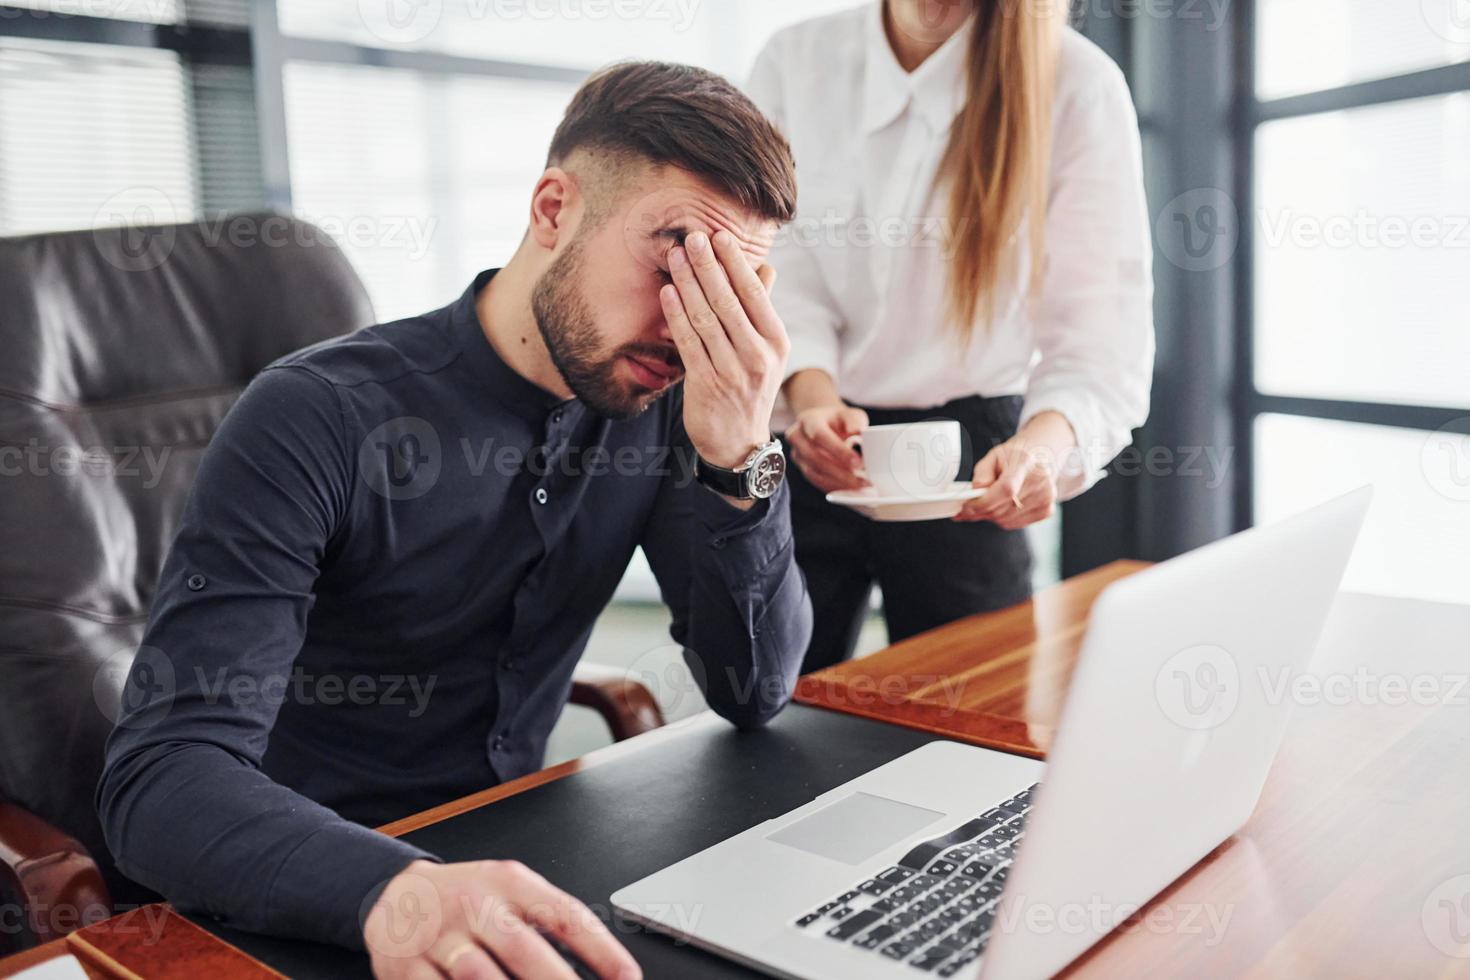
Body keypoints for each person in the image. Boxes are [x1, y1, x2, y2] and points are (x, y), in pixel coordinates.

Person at [96, 61, 810, 980]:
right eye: (676, 255)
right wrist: (398, 891)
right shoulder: (314, 416)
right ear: (553, 209)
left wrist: (741, 457)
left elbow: (753, 691)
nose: (691, 322)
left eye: (735, 283)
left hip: (534, 867)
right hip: (311, 896)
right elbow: (161, 782)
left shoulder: (670, 406)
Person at [746, 0, 1155, 671]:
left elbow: (1099, 339)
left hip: (974, 464)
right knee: (771, 703)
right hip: (810, 434)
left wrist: (1041, 454)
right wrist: (813, 398)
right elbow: (775, 266)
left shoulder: (1078, 85)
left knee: (967, 735)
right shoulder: (794, 61)